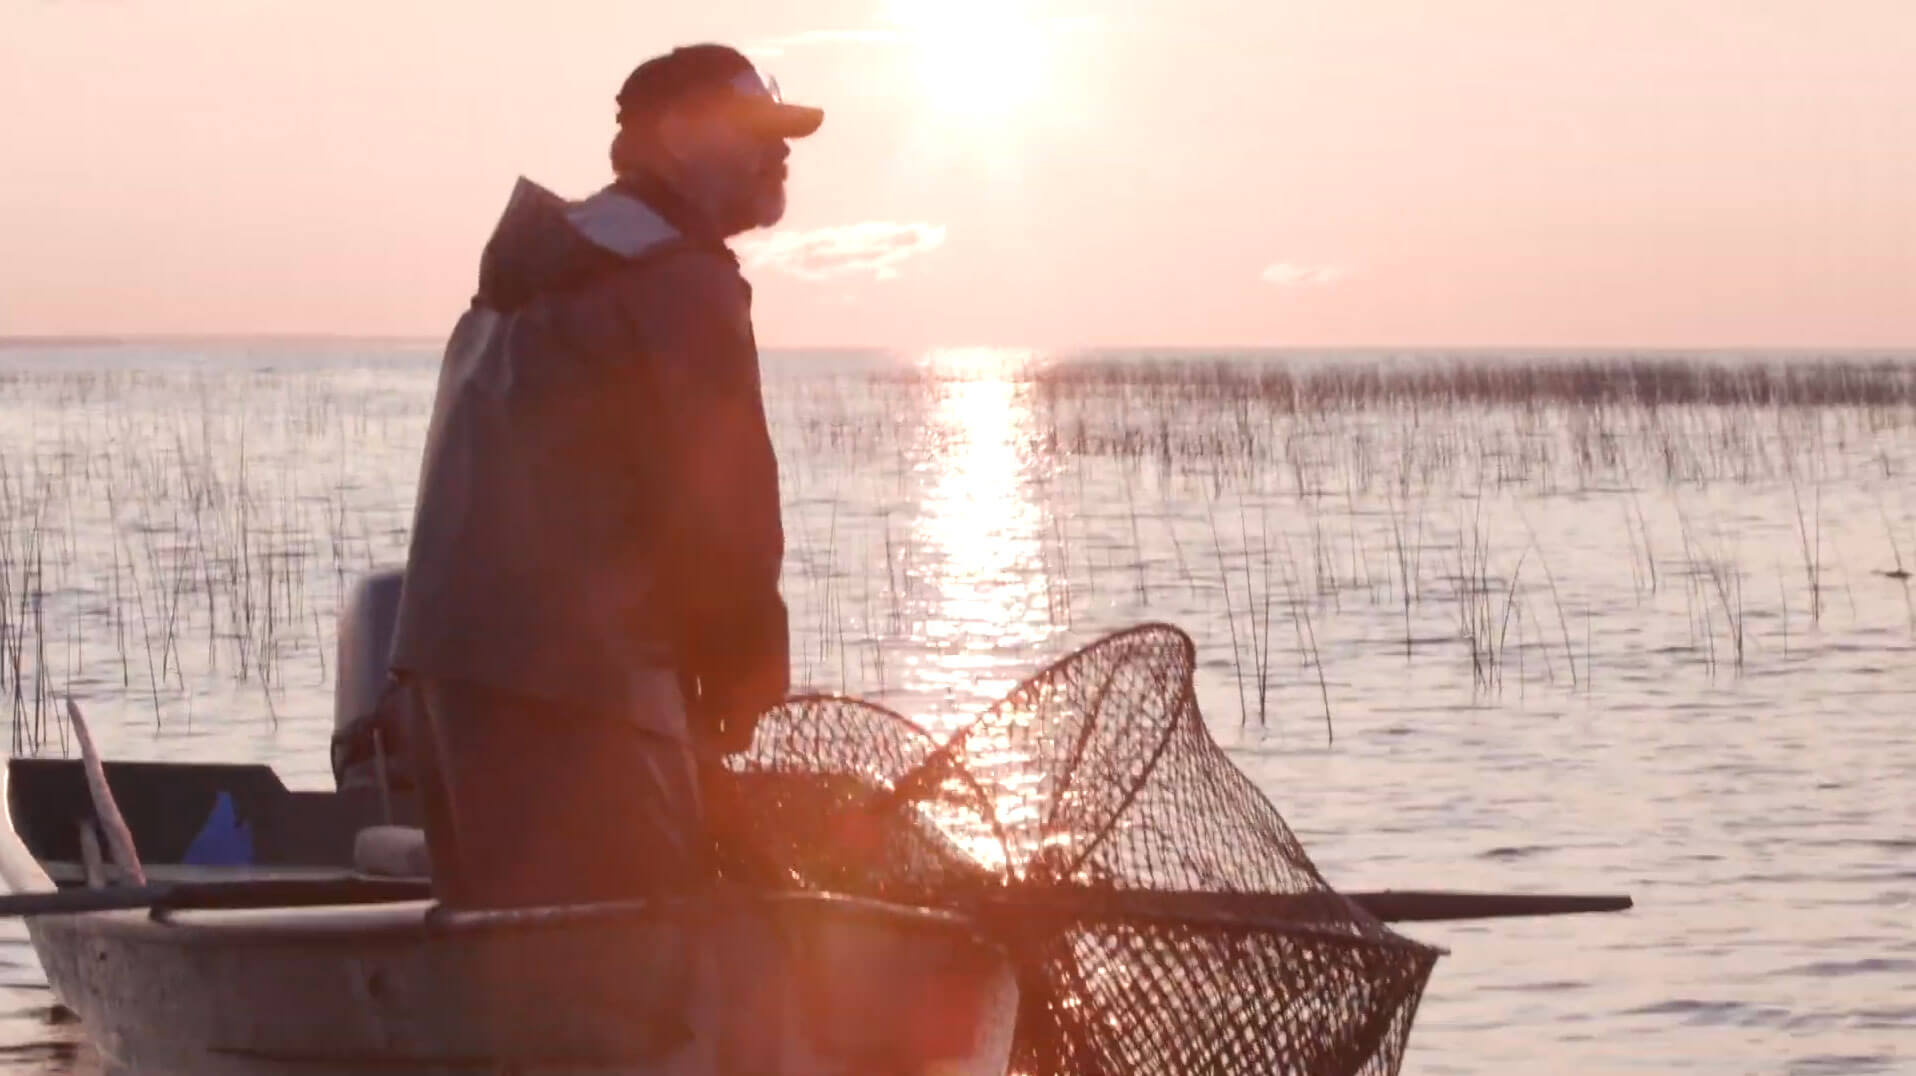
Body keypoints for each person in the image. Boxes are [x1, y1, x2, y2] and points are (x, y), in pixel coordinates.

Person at [386, 44, 817, 910]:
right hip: (584, 700)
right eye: (756, 132)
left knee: (510, 975)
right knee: (627, 962)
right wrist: (743, 669)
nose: (782, 152)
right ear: (677, 135)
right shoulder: (681, 284)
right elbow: (724, 504)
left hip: (443, 686)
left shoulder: (532, 273)